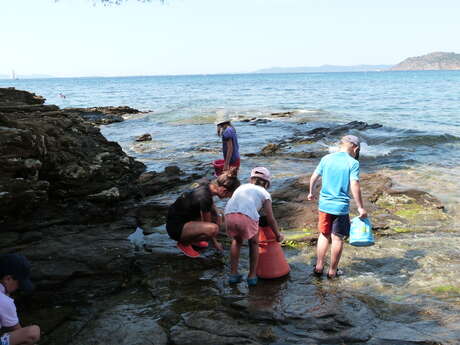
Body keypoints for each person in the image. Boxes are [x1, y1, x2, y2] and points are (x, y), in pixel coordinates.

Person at [307, 135, 367, 279]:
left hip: (324, 205)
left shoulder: (326, 158)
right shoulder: (353, 163)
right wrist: (360, 207)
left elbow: (314, 177)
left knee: (323, 235)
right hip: (340, 207)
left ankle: (319, 266)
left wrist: (311, 192)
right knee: (337, 238)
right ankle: (333, 271)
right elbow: (354, 184)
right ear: (355, 148)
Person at [224, 167, 283, 286]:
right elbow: (270, 217)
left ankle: (233, 274)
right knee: (254, 243)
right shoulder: (265, 193)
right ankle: (252, 276)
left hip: (228, 215)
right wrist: (277, 235)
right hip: (247, 217)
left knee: (236, 241)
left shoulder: (241, 187)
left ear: (251, 180)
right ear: (266, 184)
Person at [166, 168, 240, 258]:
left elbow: (209, 204)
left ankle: (193, 239)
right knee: (213, 229)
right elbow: (208, 225)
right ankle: (184, 243)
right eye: (229, 195)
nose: (227, 198)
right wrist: (216, 244)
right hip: (176, 228)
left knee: (219, 216)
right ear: (224, 191)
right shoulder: (204, 197)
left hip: (175, 217)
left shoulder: (206, 182)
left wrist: (218, 215)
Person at [0, 254, 40, 345]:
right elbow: (19, 332)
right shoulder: (4, 301)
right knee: (32, 332)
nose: (19, 288)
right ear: (8, 279)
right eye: (19, 284)